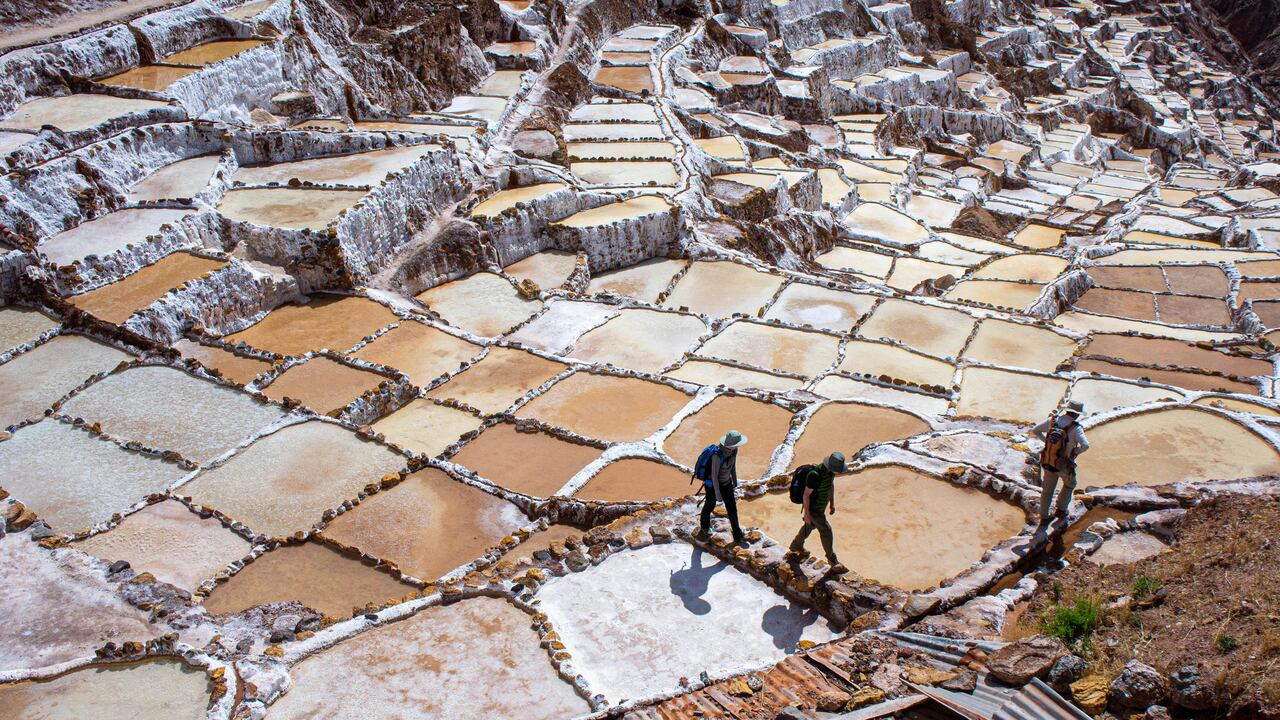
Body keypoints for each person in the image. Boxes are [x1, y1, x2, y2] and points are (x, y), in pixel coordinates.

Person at [787, 452, 848, 574]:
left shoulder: (830, 473)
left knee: (809, 526)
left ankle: (796, 545)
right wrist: (807, 514)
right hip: (814, 509)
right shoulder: (814, 475)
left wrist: (832, 503)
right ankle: (833, 561)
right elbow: (806, 495)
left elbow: (830, 485)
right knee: (826, 530)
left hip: (821, 507)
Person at [1031, 400, 1090, 524]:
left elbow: (1035, 430)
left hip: (1049, 460)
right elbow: (1085, 445)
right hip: (1064, 464)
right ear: (1077, 414)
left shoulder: (1052, 421)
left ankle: (1044, 516)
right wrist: (1075, 452)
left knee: (1047, 490)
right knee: (1070, 484)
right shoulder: (1076, 428)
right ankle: (1061, 509)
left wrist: (1046, 442)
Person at [695, 430, 747, 545]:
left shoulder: (734, 451)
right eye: (737, 443)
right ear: (731, 445)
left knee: (732, 509)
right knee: (710, 505)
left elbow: (733, 466)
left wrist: (734, 479)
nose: (739, 445)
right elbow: (714, 476)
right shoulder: (716, 456)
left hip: (726, 483)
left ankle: (737, 534)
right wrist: (718, 494)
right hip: (713, 486)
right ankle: (704, 528)